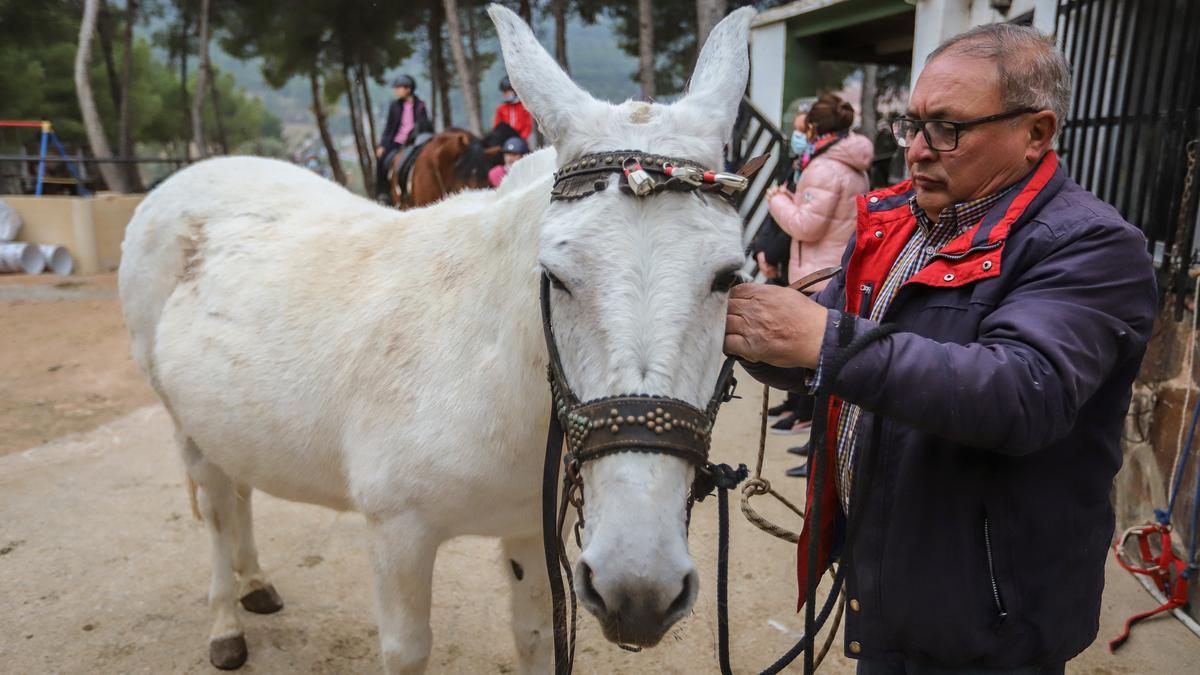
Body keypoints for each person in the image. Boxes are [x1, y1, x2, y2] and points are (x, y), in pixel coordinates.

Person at [724, 23, 1156, 674]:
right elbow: (835, 333)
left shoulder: (1094, 246)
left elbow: (1022, 390)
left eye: (947, 128)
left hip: (986, 616)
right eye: (913, 124)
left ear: (1037, 133)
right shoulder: (903, 223)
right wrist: (750, 328)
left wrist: (822, 338)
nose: (919, 150)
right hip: (891, 576)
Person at [763, 95, 873, 460]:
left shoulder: (825, 168)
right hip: (831, 269)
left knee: (815, 360)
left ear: (813, 128)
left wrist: (777, 199)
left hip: (818, 273)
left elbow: (805, 226)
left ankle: (818, 448)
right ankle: (814, 438)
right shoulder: (846, 164)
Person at [375, 74, 433, 202]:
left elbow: (424, 125)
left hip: (414, 142)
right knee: (381, 160)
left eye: (399, 87)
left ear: (408, 89)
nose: (396, 90)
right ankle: (383, 193)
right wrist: (382, 145)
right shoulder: (394, 106)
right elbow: (389, 128)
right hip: (396, 142)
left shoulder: (420, 105)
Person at [493, 76, 533, 141]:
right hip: (505, 140)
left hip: (520, 139)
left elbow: (528, 126)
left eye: (507, 91)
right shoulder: (501, 108)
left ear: (514, 91)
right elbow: (497, 127)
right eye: (504, 92)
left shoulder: (524, 107)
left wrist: (521, 138)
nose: (505, 94)